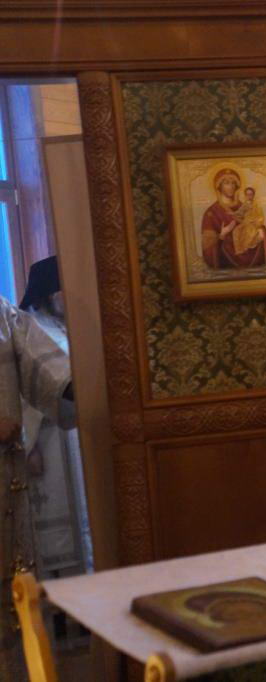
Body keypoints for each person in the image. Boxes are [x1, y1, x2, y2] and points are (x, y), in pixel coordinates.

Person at [0, 294, 75, 681]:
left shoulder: (1, 312)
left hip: (6, 487)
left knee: (16, 601)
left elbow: (44, 367)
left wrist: (85, 386)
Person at [18, 256, 92, 579]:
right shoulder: (32, 328)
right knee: (58, 519)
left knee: (84, 512)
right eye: (64, 289)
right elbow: (23, 397)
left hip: (74, 437)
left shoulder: (66, 326)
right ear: (49, 293)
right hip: (48, 442)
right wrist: (29, 446)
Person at [201, 167, 266, 269]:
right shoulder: (211, 212)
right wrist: (222, 235)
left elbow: (254, 223)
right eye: (227, 183)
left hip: (250, 252)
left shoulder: (244, 206)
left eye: (233, 183)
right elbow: (207, 246)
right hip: (226, 260)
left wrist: (260, 230)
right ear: (219, 186)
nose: (231, 186)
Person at [232, 186, 266, 257]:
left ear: (253, 195)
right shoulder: (245, 204)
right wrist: (234, 214)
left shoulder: (257, 205)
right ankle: (239, 250)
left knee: (249, 232)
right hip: (245, 223)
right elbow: (239, 213)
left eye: (250, 194)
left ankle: (245, 248)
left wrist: (257, 221)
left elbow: (261, 216)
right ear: (245, 195)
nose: (249, 196)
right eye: (247, 194)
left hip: (254, 223)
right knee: (236, 231)